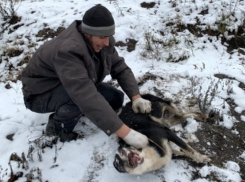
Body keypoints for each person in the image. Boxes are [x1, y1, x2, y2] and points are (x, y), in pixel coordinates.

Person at [21, 4, 151, 149]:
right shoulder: (67, 51)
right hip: (39, 94)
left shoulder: (102, 43)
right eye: (102, 37)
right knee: (78, 100)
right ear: (87, 33)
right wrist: (126, 133)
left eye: (109, 36)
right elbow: (83, 93)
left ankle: (79, 110)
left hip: (68, 83)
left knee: (115, 99)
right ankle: (57, 129)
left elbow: (120, 68)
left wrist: (136, 97)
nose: (107, 42)